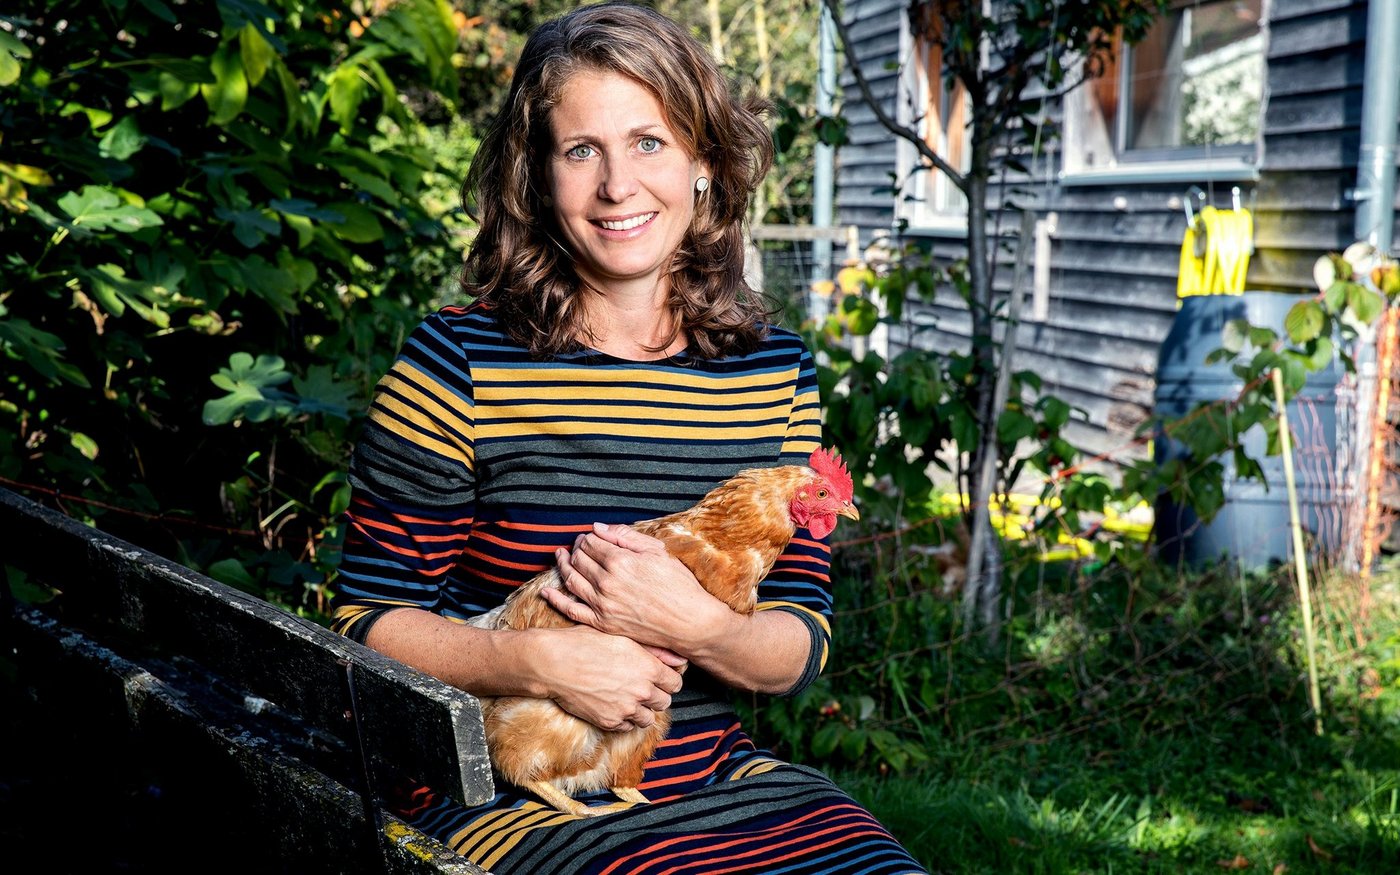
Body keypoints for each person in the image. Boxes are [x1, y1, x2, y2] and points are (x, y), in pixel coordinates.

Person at [330, 2, 929, 872]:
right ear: (538, 177)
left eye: (649, 142)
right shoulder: (458, 362)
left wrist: (696, 625)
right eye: (581, 151)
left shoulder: (774, 370)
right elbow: (365, 625)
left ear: (704, 163)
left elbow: (798, 637)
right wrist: (533, 661)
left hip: (711, 778)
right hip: (508, 792)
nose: (618, 186)